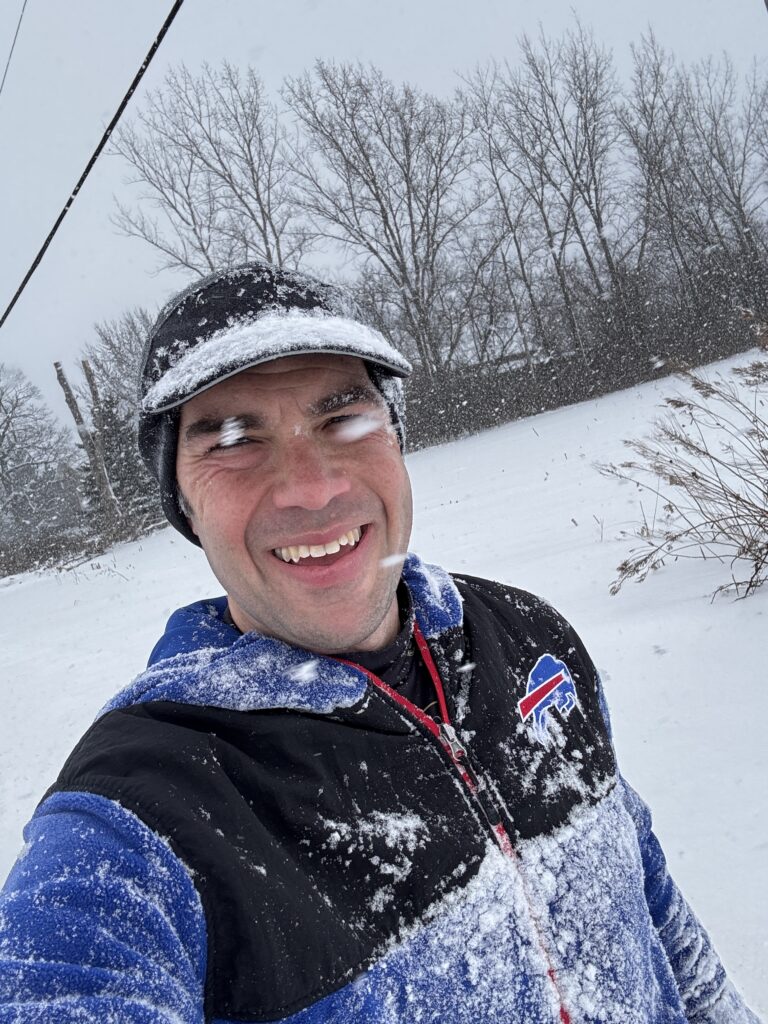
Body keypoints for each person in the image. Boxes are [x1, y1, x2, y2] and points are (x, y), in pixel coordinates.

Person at [0, 261, 759, 1024]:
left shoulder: (528, 636)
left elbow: (644, 885)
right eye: (233, 441)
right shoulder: (145, 807)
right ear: (184, 503)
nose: (313, 487)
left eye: (342, 418)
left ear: (395, 437)